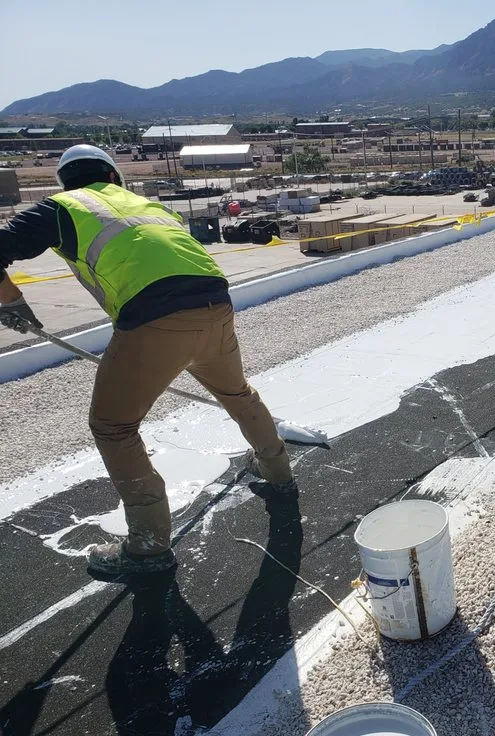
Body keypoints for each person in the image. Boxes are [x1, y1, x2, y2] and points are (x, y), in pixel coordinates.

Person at [0, 145, 296, 576]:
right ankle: (279, 473)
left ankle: (148, 545)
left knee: (113, 427)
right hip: (215, 306)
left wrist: (12, 301)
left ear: (66, 181)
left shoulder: (63, 207)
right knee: (238, 395)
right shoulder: (147, 206)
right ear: (112, 175)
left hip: (154, 320)